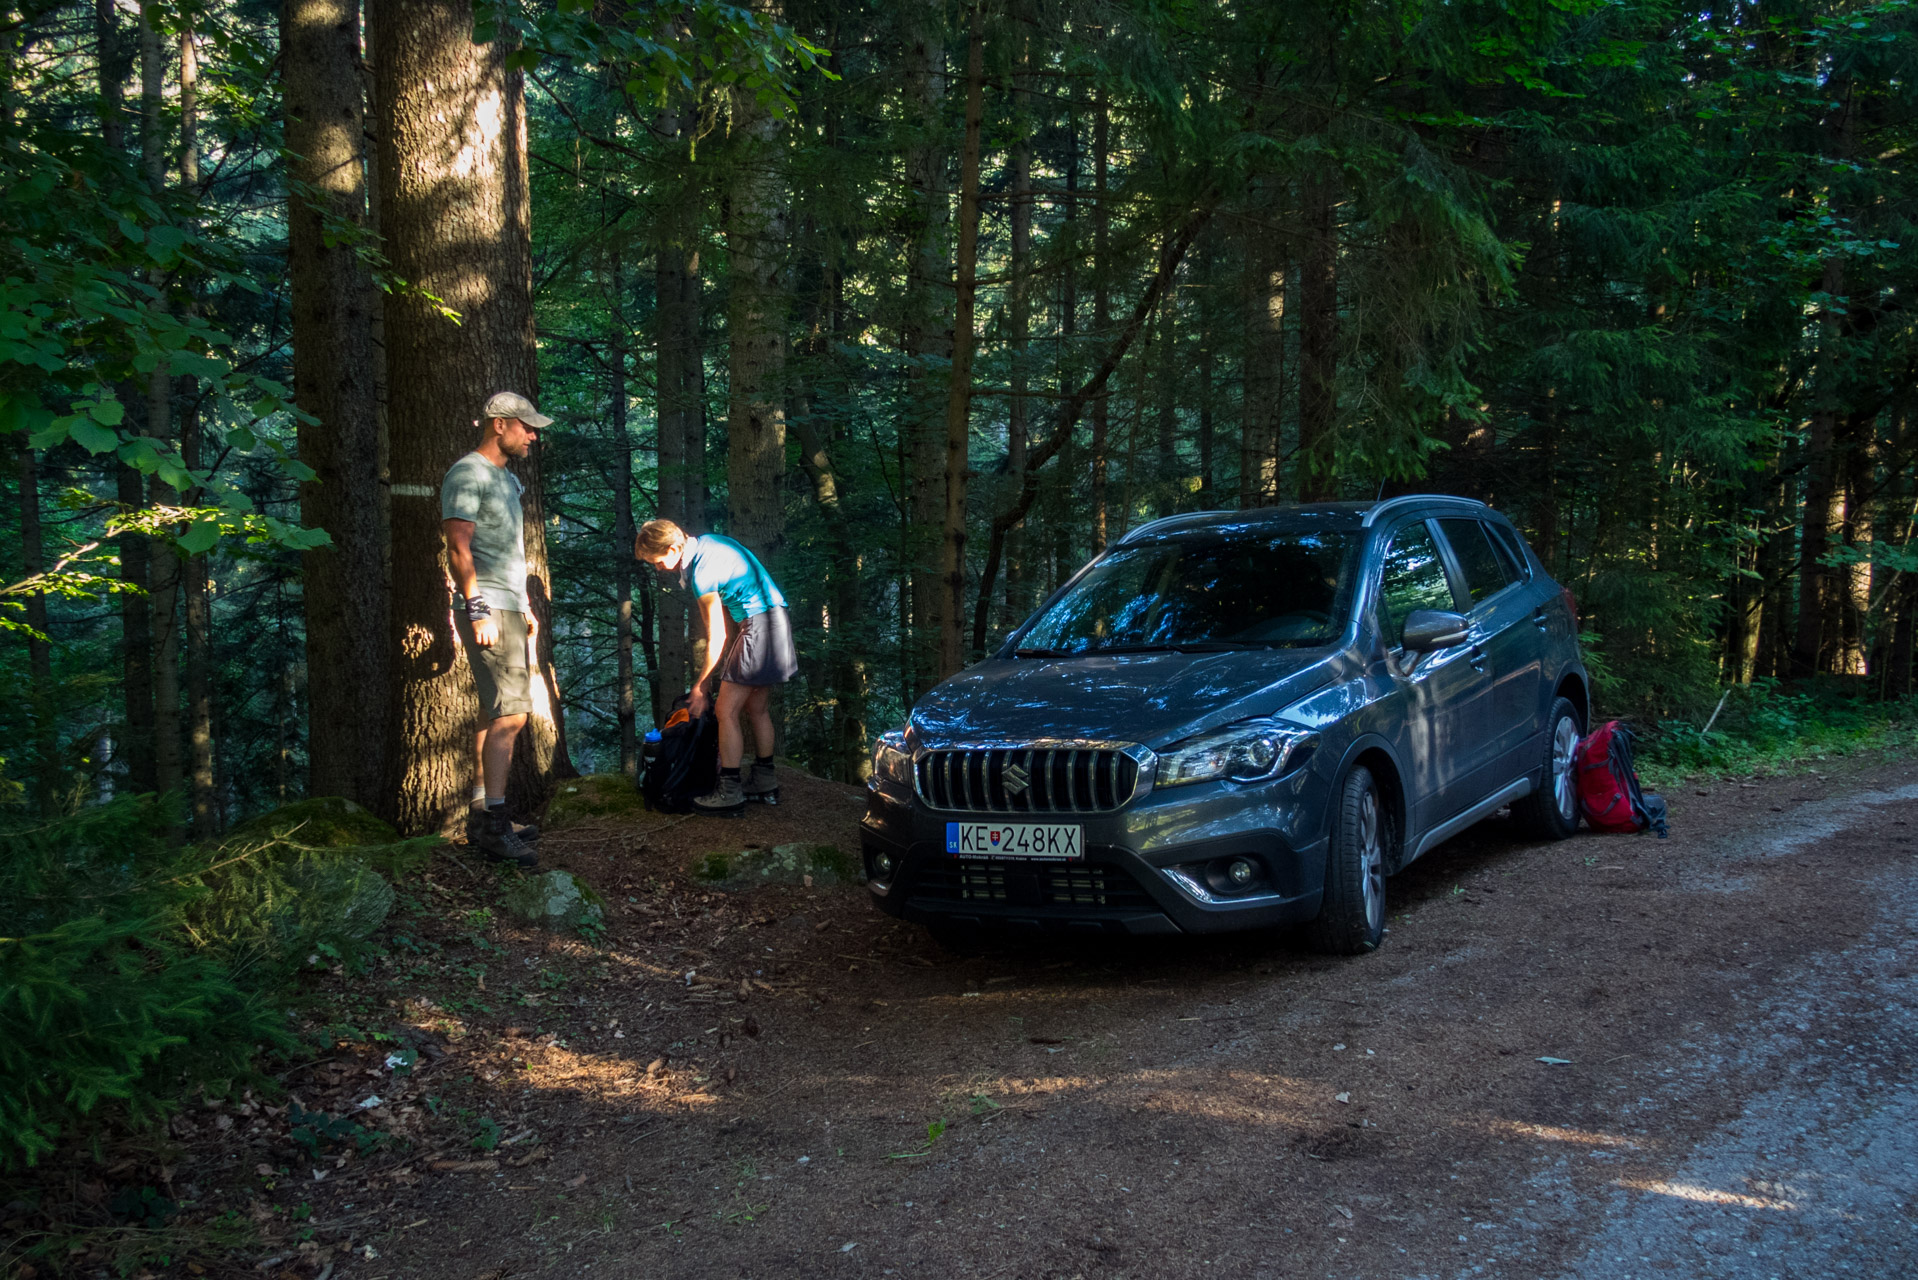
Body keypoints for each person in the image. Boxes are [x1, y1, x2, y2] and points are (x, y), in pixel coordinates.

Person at [441, 391, 553, 865]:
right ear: (500, 424)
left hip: (508, 604)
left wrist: (523, 604)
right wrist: (478, 607)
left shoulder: (507, 479)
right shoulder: (468, 472)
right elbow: (457, 546)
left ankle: (485, 814)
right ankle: (494, 828)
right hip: (486, 605)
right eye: (526, 427)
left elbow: (507, 548)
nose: (532, 436)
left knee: (498, 712)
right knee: (511, 715)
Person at [634, 519, 798, 815]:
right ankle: (765, 781)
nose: (658, 569)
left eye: (657, 562)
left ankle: (730, 792)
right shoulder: (708, 542)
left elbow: (718, 636)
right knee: (757, 709)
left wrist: (701, 686)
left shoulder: (702, 573)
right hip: (776, 620)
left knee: (724, 711)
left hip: (759, 626)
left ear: (673, 549)